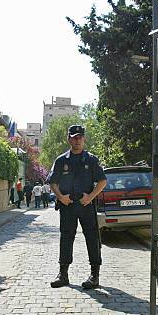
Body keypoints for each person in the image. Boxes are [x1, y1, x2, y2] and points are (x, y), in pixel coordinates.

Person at [47, 124, 107, 289]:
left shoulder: (91, 159)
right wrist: (60, 197)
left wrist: (90, 197)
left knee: (92, 238)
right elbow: (52, 182)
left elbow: (102, 181)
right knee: (66, 237)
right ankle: (63, 274)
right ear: (69, 139)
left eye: (80, 137)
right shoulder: (61, 160)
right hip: (68, 205)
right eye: (74, 137)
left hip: (86, 204)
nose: (77, 140)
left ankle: (94, 275)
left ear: (84, 139)